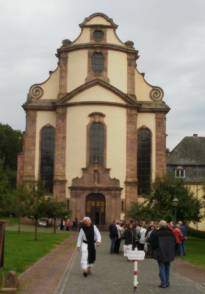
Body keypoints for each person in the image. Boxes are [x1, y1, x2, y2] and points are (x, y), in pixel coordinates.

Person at [150, 220, 175, 288]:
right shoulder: (171, 233)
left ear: (160, 226)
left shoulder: (157, 233)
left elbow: (153, 243)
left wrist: (155, 249)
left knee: (162, 267)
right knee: (167, 267)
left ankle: (164, 283)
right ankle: (167, 282)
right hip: (169, 252)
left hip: (160, 252)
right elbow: (174, 243)